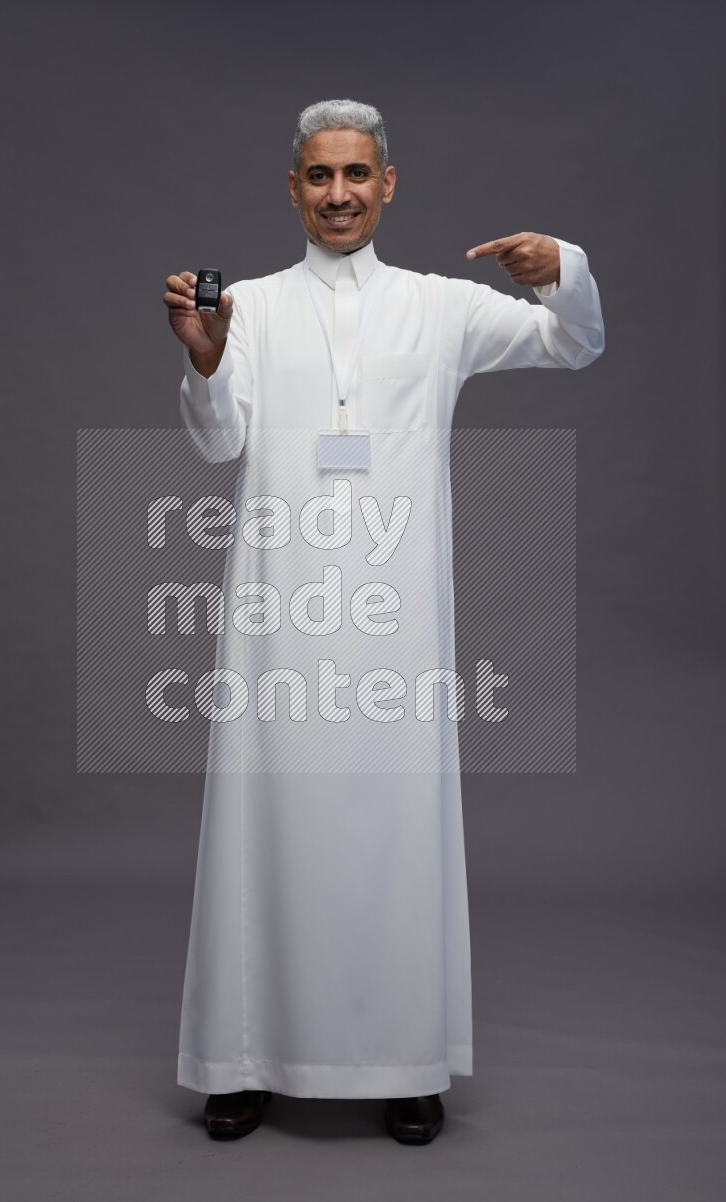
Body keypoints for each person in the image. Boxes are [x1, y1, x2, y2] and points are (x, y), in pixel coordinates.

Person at [163, 98, 604, 1145]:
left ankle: (403, 1058)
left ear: (387, 183)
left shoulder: (439, 307)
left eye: (355, 175)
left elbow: (572, 344)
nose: (338, 195)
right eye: (318, 177)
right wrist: (204, 354)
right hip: (280, 611)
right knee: (264, 825)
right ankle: (241, 1057)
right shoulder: (255, 307)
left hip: (398, 615)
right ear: (292, 189)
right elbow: (215, 444)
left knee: (398, 832)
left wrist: (562, 269)